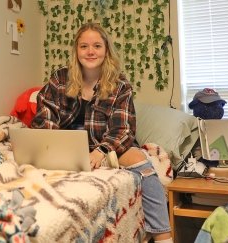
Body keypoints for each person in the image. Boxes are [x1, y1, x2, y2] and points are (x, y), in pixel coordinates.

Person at [31, 22, 172, 242]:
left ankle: (163, 235)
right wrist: (53, 146)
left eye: (97, 46)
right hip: (67, 145)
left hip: (106, 146)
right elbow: (44, 116)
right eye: (84, 46)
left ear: (106, 50)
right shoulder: (59, 79)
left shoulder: (119, 84)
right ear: (76, 51)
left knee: (143, 164)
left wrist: (101, 151)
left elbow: (124, 129)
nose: (90, 51)